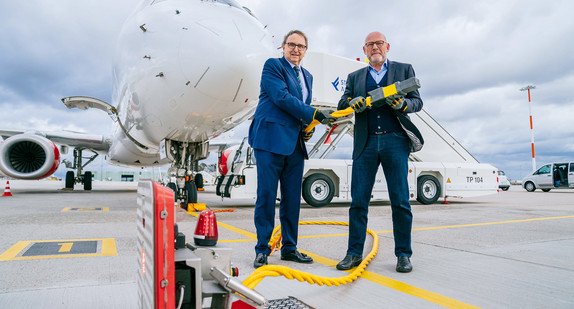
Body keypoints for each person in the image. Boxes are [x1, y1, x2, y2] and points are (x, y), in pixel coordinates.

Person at [336, 31, 423, 273]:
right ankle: (353, 253)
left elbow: (417, 102)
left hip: (395, 141)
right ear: (364, 50)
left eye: (379, 43)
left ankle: (403, 255)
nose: (375, 47)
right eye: (370, 44)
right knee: (358, 202)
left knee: (401, 201)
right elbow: (342, 103)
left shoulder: (405, 70)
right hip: (365, 143)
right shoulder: (355, 77)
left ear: (387, 47)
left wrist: (403, 104)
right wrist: (352, 102)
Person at [248, 30, 335, 268]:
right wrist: (314, 114)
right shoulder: (273, 66)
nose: (296, 50)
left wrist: (309, 126)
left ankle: (289, 248)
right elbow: (282, 98)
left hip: (295, 144)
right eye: (291, 45)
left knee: (292, 200)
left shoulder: (307, 76)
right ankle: (262, 249)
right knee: (266, 196)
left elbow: (302, 107)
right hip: (269, 140)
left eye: (301, 46)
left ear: (305, 50)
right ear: (283, 47)